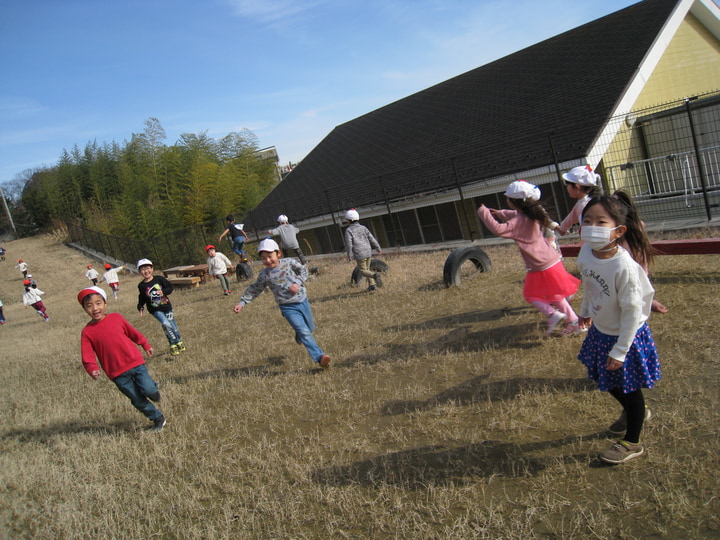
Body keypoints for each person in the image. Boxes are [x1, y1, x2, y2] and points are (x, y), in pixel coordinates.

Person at [576, 192, 661, 464]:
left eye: (601, 222)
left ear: (619, 230)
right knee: (602, 377)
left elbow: (634, 311)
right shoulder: (586, 252)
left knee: (629, 389)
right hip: (601, 330)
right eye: (587, 220)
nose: (592, 227)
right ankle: (631, 410)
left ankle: (632, 442)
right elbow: (589, 283)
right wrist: (586, 311)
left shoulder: (623, 265)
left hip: (626, 335)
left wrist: (621, 350)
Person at [477, 180, 581, 335]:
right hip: (552, 260)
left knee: (531, 295)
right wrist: (500, 213)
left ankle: (552, 315)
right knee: (555, 294)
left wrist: (483, 212)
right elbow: (515, 215)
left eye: (508, 198)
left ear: (513, 201)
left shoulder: (519, 220)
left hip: (539, 264)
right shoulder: (533, 213)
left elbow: (499, 229)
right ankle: (573, 323)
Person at [78, 286, 166, 432]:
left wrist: (145, 344)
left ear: (105, 304)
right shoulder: (87, 332)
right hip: (117, 373)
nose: (95, 308)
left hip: (135, 363)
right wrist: (92, 368)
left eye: (98, 303)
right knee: (137, 399)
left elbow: (132, 333)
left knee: (148, 388)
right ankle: (157, 418)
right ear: (85, 309)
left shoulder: (116, 318)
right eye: (89, 305)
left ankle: (153, 391)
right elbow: (87, 354)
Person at [234, 238, 331, 368]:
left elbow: (304, 270)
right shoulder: (264, 275)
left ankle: (300, 335)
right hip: (287, 307)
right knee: (305, 332)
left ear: (278, 253)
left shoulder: (289, 262)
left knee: (310, 328)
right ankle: (320, 357)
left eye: (270, 256)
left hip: (302, 300)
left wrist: (297, 283)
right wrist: (242, 303)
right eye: (263, 258)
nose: (267, 260)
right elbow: (255, 289)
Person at [136, 258, 186, 356]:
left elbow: (170, 287)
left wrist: (163, 292)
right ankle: (172, 344)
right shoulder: (141, 286)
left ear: (152, 268)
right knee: (165, 323)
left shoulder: (159, 279)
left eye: (147, 268)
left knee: (174, 327)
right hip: (155, 310)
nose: (146, 271)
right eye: (142, 269)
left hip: (167, 307)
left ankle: (178, 341)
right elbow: (141, 297)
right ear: (139, 272)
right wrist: (140, 307)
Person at [553, 165, 602, 237]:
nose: (567, 188)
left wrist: (562, 228)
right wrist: (562, 228)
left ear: (577, 187)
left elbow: (569, 220)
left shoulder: (584, 205)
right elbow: (570, 219)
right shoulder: (583, 202)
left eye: (568, 185)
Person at [343, 209, 383, 292]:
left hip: (359, 253)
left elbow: (349, 244)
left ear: (348, 221)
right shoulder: (363, 228)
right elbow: (372, 238)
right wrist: (378, 248)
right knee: (367, 269)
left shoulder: (349, 230)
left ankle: (375, 275)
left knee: (363, 271)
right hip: (368, 252)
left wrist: (350, 255)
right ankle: (372, 286)